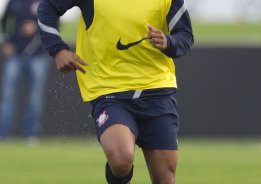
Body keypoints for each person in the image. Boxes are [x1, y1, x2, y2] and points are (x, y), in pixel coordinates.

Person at [37, 0, 193, 183]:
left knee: (164, 178)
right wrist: (58, 49)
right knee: (121, 160)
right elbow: (47, 7)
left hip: (156, 91)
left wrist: (169, 42)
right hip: (109, 90)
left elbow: (185, 36)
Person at [0, 0, 50, 142]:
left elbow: (56, 22)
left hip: (38, 56)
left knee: (35, 98)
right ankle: (4, 134)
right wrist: (6, 42)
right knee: (8, 96)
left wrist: (36, 27)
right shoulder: (15, 1)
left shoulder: (45, 2)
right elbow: (4, 21)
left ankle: (30, 134)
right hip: (15, 54)